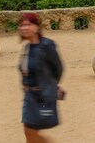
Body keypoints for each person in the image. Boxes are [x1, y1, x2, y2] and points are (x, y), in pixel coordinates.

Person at [18, 12, 65, 143]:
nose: (24, 28)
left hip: (42, 96)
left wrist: (50, 86)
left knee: (30, 132)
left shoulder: (47, 45)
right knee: (29, 132)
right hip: (29, 96)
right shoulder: (27, 48)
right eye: (22, 25)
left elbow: (58, 69)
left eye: (28, 24)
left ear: (36, 27)